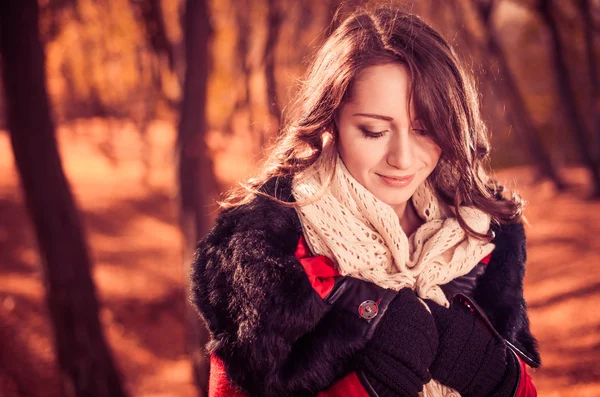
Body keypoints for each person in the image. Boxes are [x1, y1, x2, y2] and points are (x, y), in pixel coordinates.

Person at [190, 7, 541, 397]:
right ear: (331, 120)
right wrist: (367, 385)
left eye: (426, 130)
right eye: (374, 131)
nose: (403, 159)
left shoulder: (480, 234)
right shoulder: (263, 250)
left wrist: (503, 381)